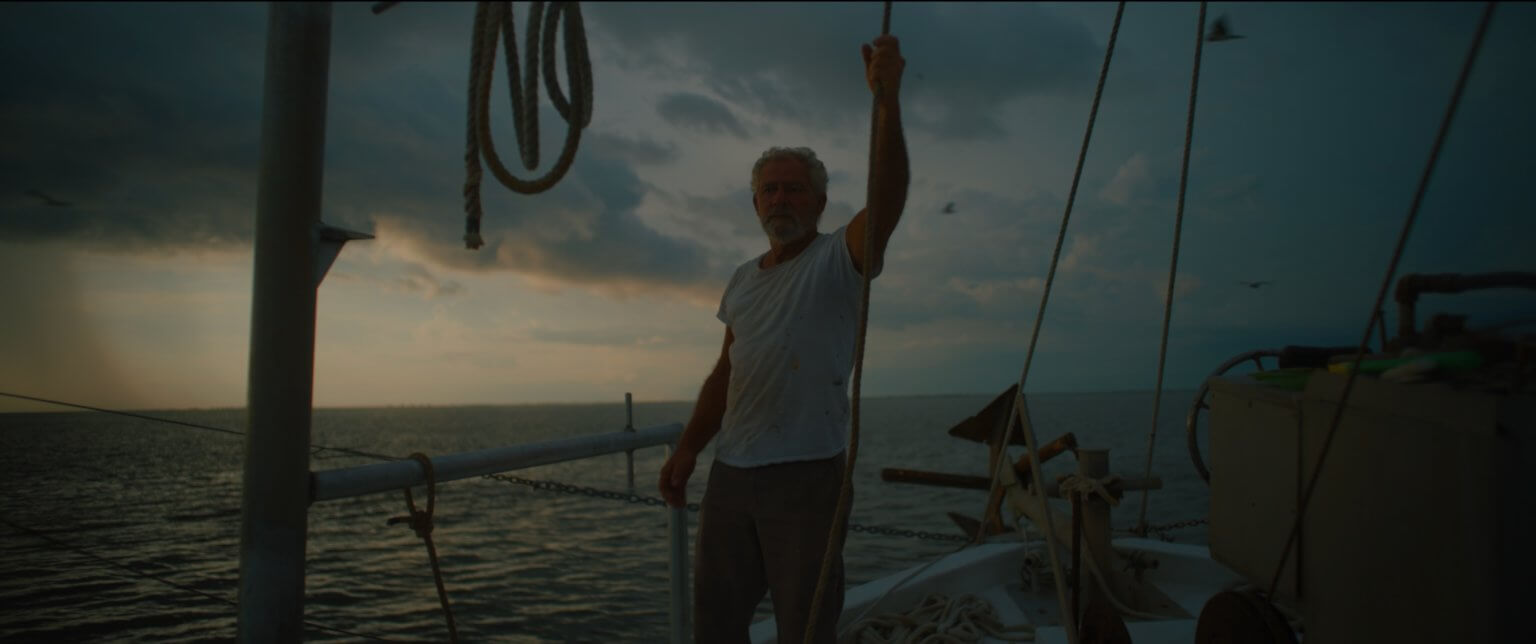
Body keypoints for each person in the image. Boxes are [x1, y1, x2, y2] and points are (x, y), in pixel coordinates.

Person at [658, 34, 909, 643]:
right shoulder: (743, 279)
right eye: (769, 189)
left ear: (821, 201)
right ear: (754, 204)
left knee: (805, 627)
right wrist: (689, 448)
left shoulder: (838, 258)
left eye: (794, 187)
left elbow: (888, 197)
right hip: (731, 474)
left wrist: (886, 103)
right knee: (717, 625)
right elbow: (726, 374)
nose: (780, 197)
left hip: (806, 476)